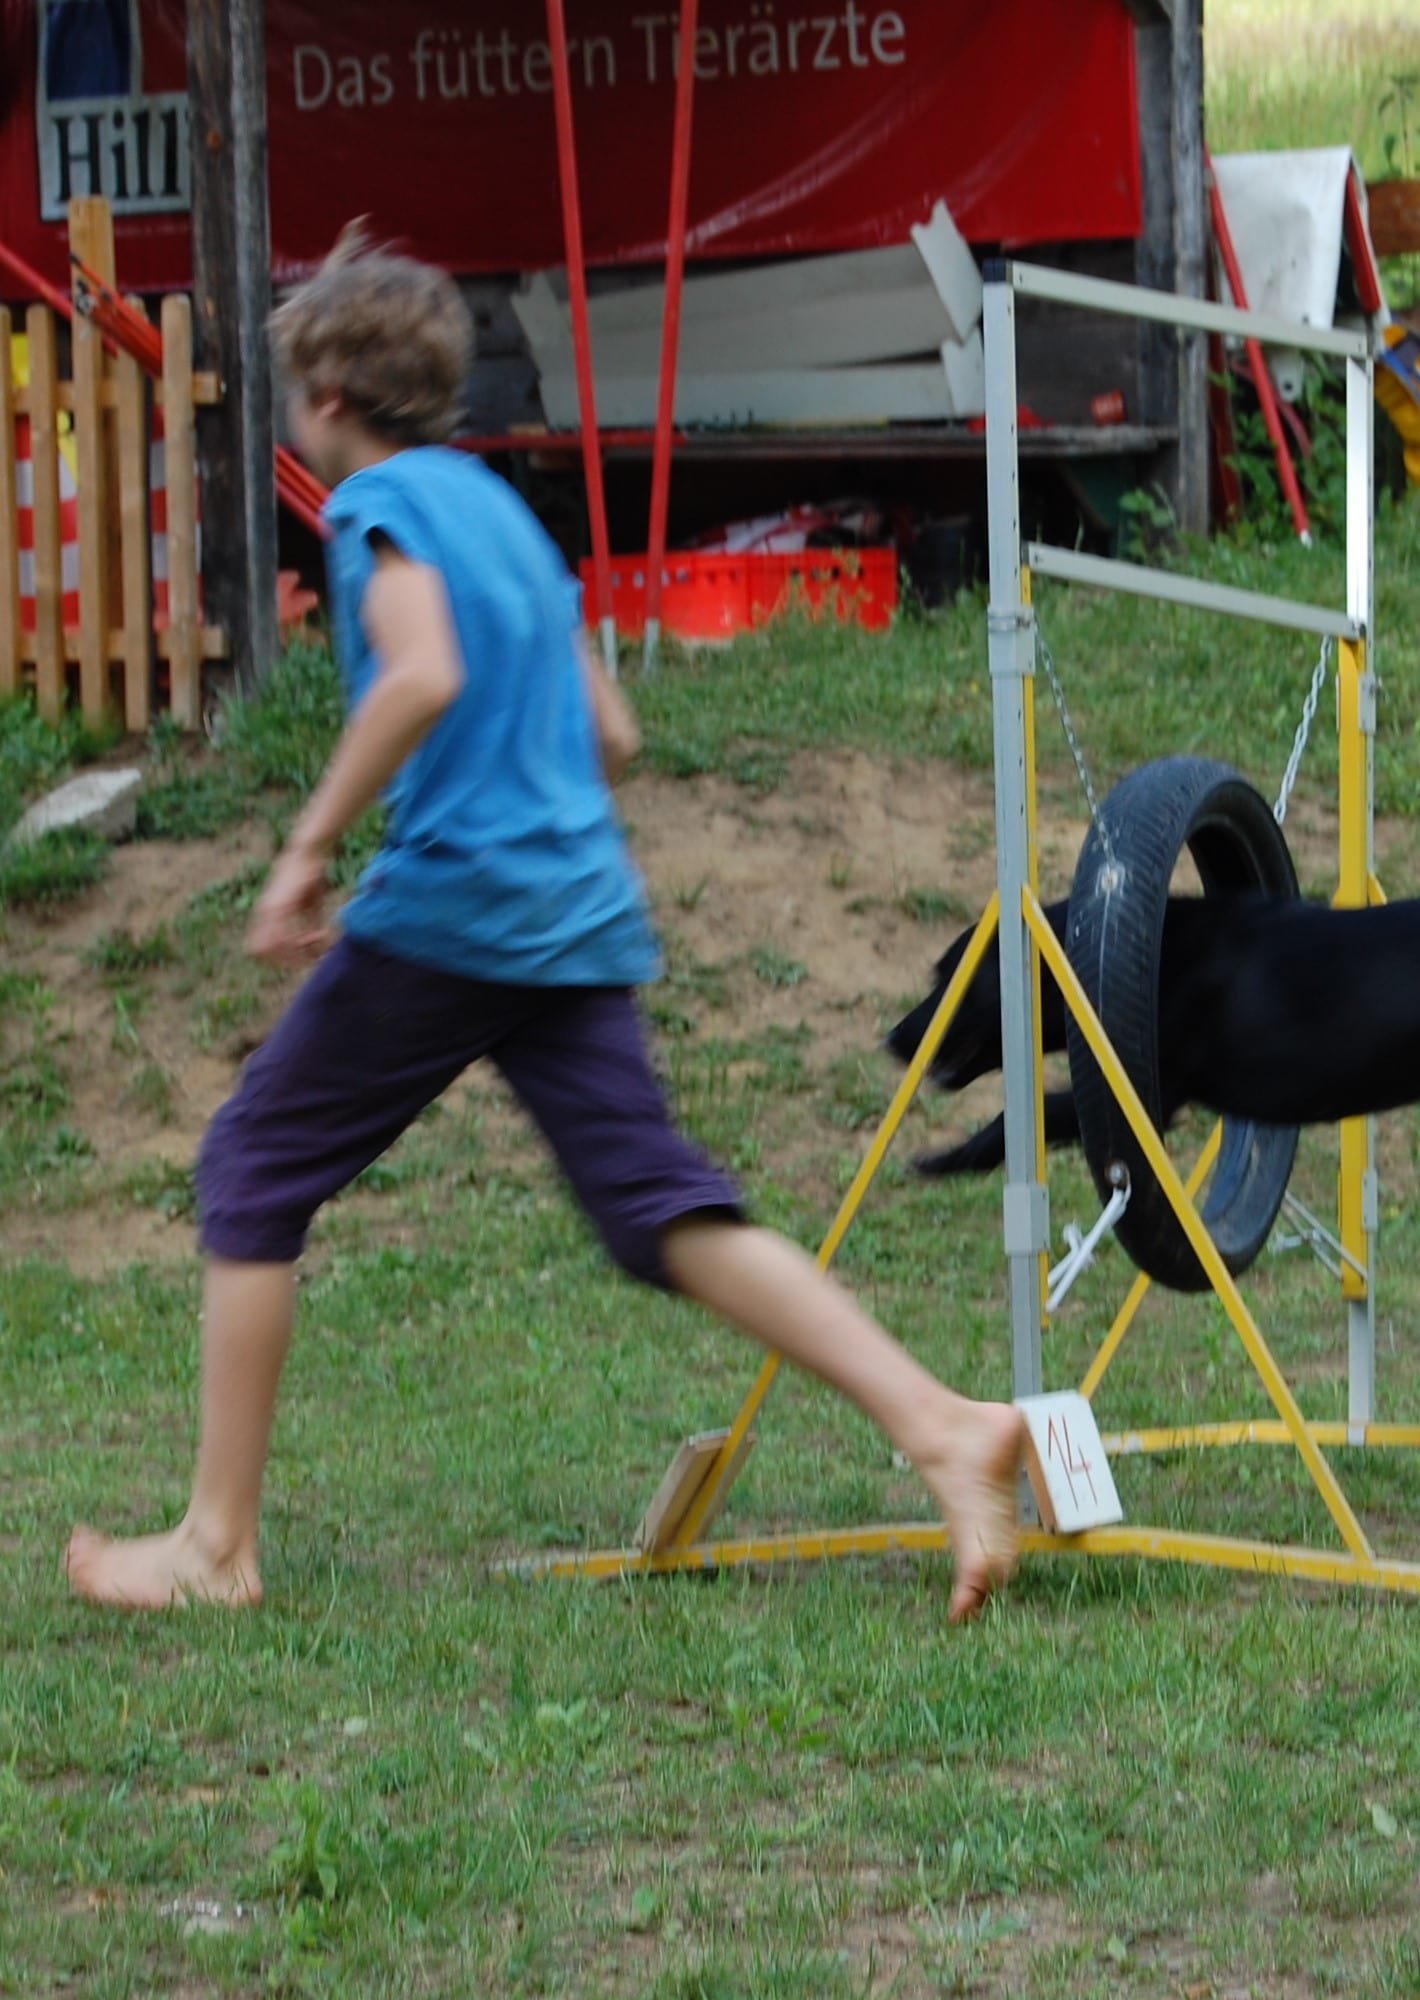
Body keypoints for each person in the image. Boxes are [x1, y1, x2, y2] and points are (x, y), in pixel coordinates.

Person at [65, 228, 1025, 1624]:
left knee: (253, 1164)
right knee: (659, 1208)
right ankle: (942, 1424)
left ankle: (215, 1545)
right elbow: (612, 732)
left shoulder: (375, 510)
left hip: (457, 907)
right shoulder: (503, 511)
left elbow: (422, 675)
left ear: (327, 396)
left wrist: (307, 847)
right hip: (574, 910)